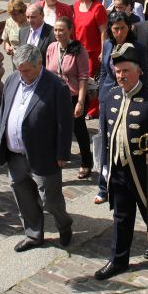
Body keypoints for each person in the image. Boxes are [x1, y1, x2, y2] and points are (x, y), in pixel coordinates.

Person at [95, 43, 148, 280]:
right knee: (121, 215)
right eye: (118, 71)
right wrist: (105, 166)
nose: (121, 76)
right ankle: (119, 260)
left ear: (138, 71)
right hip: (119, 169)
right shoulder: (110, 96)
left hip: (145, 170)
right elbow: (105, 135)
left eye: (126, 71)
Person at [0, 44, 74, 252]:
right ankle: (33, 234)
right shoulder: (12, 80)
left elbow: (64, 123)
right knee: (23, 195)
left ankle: (64, 224)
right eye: (19, 69)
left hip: (43, 154)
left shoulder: (56, 87)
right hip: (15, 154)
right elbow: (4, 110)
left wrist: (62, 153)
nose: (22, 74)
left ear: (40, 65)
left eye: (27, 70)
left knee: (50, 199)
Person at [95, 11, 148, 204]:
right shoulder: (108, 44)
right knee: (105, 141)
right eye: (115, 28)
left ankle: (130, 181)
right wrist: (102, 94)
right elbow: (103, 71)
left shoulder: (139, 48)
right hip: (108, 98)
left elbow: (144, 76)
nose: (119, 32)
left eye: (122, 28)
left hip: (131, 98)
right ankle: (103, 185)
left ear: (129, 28)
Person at [45, 16, 92, 180]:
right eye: (56, 30)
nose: (58, 33)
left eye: (61, 30)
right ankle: (56, 159)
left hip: (73, 96)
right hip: (54, 96)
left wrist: (80, 101)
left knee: (79, 130)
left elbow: (83, 77)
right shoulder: (51, 48)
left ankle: (86, 162)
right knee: (54, 130)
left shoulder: (78, 50)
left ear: (70, 30)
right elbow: (47, 72)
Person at [73, 0, 108, 77]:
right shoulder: (76, 5)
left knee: (89, 80)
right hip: (77, 50)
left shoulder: (98, 8)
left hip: (92, 53)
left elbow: (103, 31)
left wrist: (103, 51)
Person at [3, 0, 29, 70]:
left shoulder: (30, 22)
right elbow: (6, 40)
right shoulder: (9, 22)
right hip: (15, 59)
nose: (13, 17)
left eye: (15, 14)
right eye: (11, 14)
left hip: (28, 59)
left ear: (23, 12)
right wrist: (7, 46)